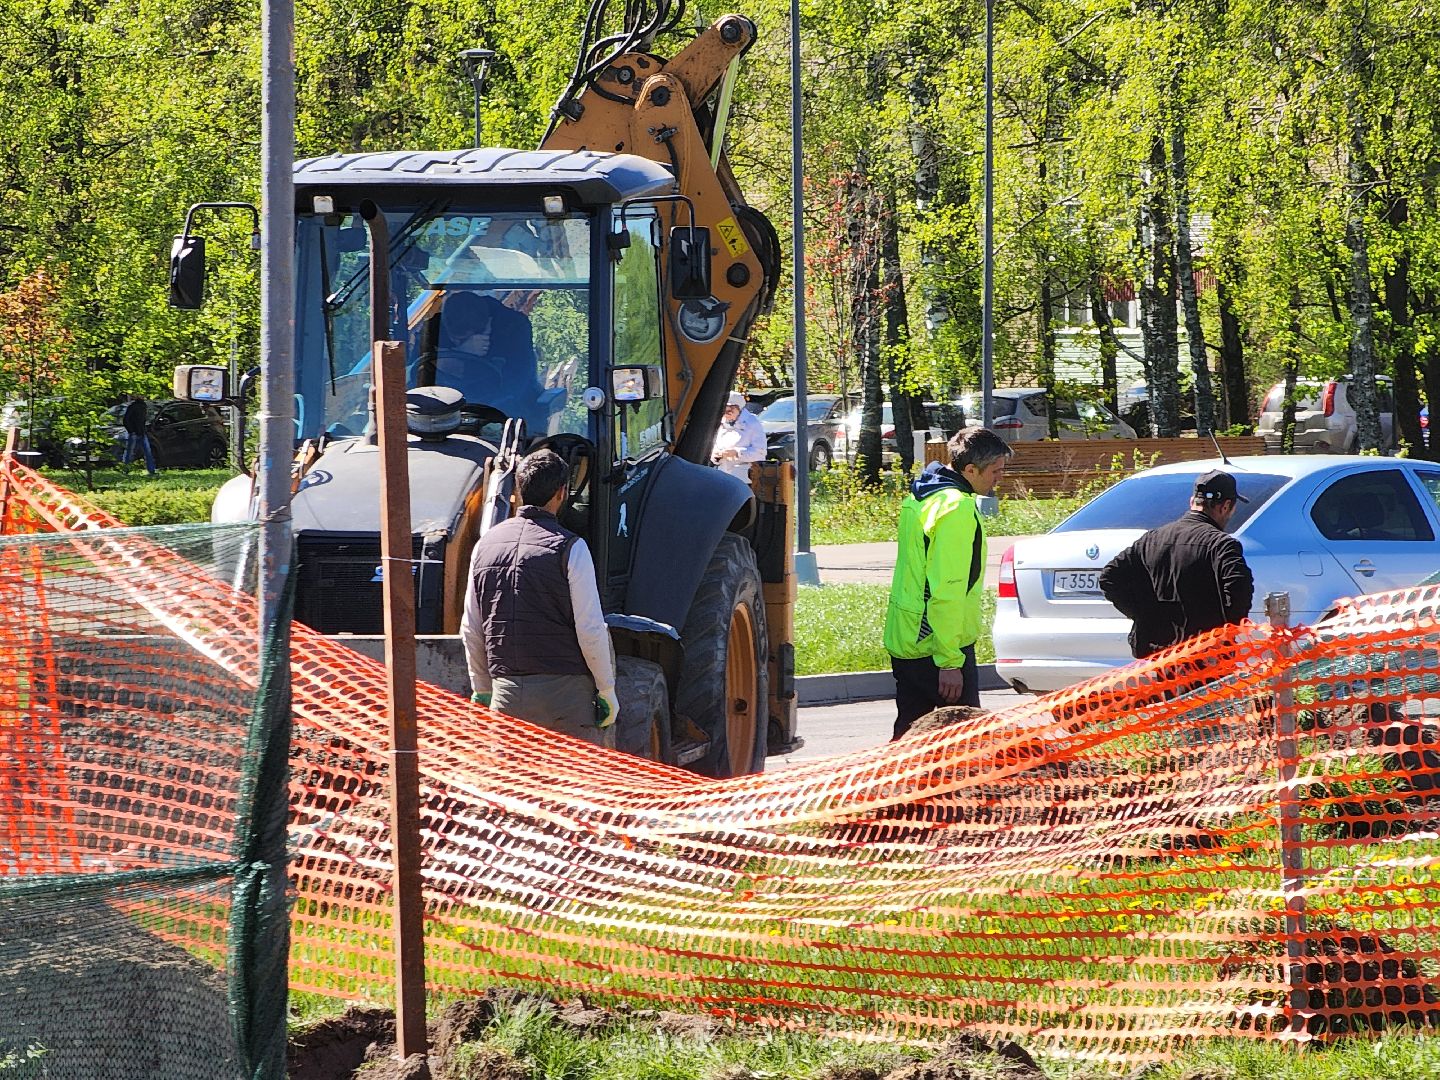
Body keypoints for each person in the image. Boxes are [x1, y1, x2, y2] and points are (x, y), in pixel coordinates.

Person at [460, 449, 619, 746]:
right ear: (561, 493)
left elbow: (471, 627)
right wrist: (606, 689)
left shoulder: (484, 547)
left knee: (513, 787)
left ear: (518, 490)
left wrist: (482, 689)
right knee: (573, 787)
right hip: (567, 700)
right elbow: (590, 629)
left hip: (505, 696)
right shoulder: (571, 547)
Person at [884, 427, 1013, 740]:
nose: (999, 479)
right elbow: (948, 588)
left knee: (910, 738)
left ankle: (893, 788)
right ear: (970, 470)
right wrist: (950, 662)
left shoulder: (925, 493)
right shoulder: (956, 508)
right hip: (937, 645)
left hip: (910, 636)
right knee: (965, 749)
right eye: (995, 472)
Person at [1099, 469, 1255, 659]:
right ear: (1226, 506)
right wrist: (1226, 636)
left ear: (1192, 502)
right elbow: (1239, 589)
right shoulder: (1221, 545)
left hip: (1162, 657)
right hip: (1207, 657)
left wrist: (1145, 617)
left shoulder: (1152, 539)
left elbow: (1109, 578)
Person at [433, 292, 541, 422]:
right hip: (443, 414)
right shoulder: (435, 327)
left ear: (487, 328)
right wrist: (460, 351)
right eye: (453, 339)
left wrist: (482, 414)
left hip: (503, 410)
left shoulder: (515, 329)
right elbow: (414, 373)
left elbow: (518, 383)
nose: (455, 342)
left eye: (461, 340)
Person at [711, 391, 767, 480]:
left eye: (730, 410)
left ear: (739, 408)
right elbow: (714, 446)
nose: (727, 414)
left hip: (746, 477)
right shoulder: (721, 423)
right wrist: (715, 455)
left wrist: (737, 453)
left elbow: (760, 453)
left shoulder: (752, 423)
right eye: (724, 410)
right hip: (722, 475)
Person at [120, 394, 157, 476]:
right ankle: (125, 470)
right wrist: (131, 430)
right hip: (134, 433)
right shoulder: (133, 407)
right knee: (130, 452)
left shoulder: (143, 406)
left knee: (147, 452)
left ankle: (151, 470)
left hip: (142, 432)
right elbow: (126, 420)